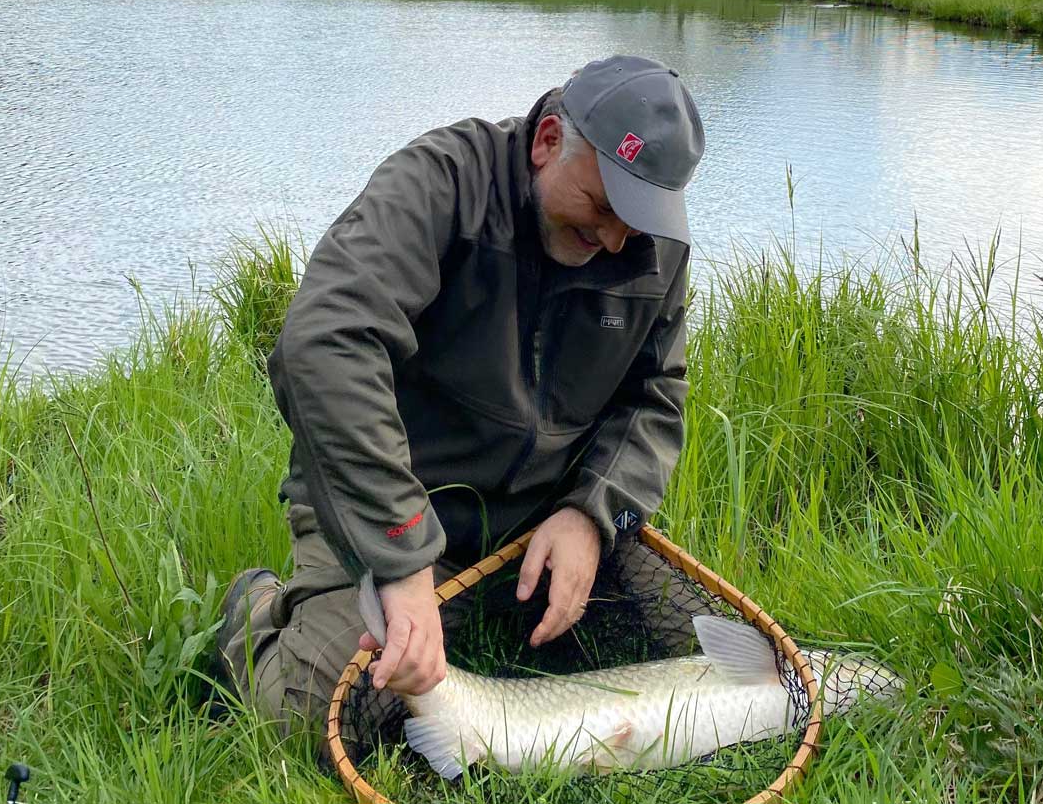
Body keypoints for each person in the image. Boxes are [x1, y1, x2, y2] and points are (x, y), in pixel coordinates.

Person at [214, 55, 707, 736]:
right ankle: (255, 617)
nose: (615, 239)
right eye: (602, 207)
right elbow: (323, 344)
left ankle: (512, 596)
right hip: (400, 510)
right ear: (547, 142)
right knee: (333, 711)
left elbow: (656, 396)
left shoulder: (651, 245)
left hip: (545, 529)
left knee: (696, 650)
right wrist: (402, 552)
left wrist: (594, 517)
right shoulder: (440, 184)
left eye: (640, 219)